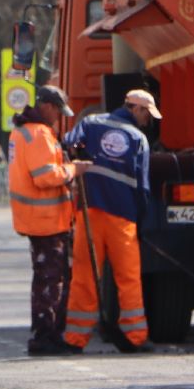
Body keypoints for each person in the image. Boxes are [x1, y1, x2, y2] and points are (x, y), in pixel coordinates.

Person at [61, 88, 157, 353]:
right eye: (147, 113)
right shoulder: (138, 138)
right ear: (136, 109)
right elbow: (143, 187)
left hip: (89, 213)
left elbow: (67, 144)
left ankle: (75, 339)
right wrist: (142, 222)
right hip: (122, 218)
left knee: (84, 275)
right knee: (128, 278)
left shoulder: (91, 123)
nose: (148, 120)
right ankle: (134, 337)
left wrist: (80, 157)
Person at [7, 86, 88, 356]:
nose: (59, 118)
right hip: (46, 220)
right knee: (51, 280)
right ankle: (46, 337)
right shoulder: (39, 134)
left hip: (37, 219)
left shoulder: (22, 132)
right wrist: (74, 169)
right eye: (58, 112)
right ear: (49, 107)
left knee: (46, 279)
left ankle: (47, 334)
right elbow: (45, 177)